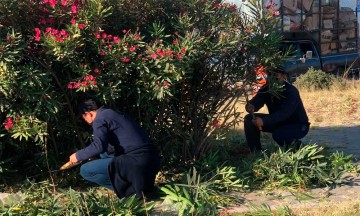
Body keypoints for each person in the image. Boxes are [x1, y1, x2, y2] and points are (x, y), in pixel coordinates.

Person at [68, 99, 161, 200]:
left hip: (134, 159)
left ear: (89, 114)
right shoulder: (112, 113)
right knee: (102, 155)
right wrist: (93, 155)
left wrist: (77, 156)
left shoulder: (99, 120)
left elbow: (98, 146)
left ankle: (130, 191)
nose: (84, 119)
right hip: (151, 157)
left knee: (85, 170)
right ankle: (135, 186)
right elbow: (109, 148)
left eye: (83, 116)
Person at [244, 67, 310, 152]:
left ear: (283, 76)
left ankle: (300, 150)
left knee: (279, 135)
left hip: (298, 125)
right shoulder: (266, 89)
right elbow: (256, 102)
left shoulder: (291, 91)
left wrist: (264, 121)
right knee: (249, 119)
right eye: (270, 74)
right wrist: (250, 106)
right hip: (277, 122)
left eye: (275, 75)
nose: (272, 78)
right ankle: (255, 152)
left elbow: (284, 113)